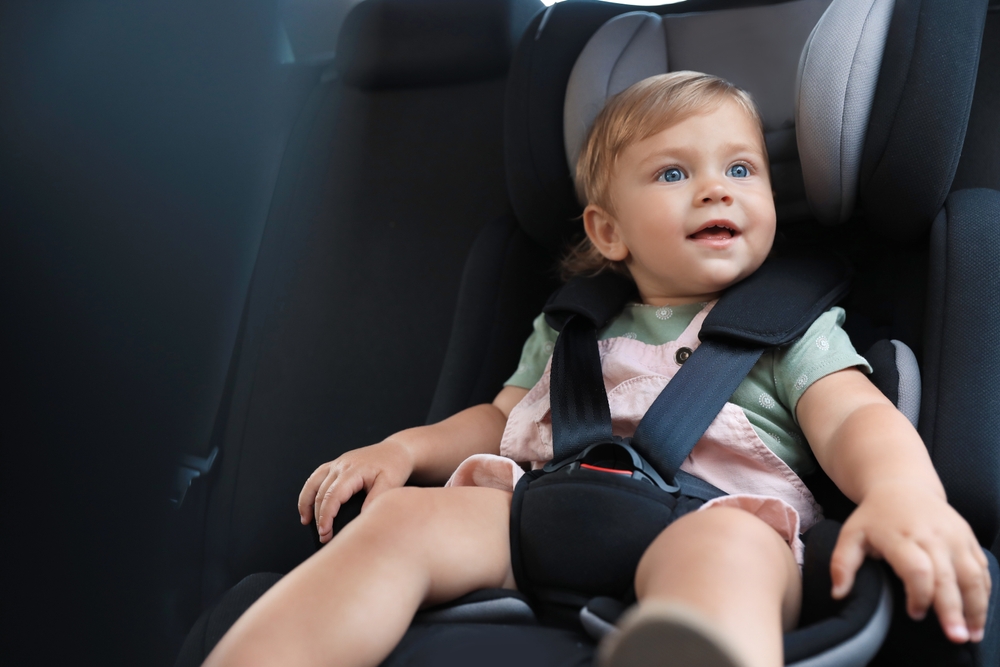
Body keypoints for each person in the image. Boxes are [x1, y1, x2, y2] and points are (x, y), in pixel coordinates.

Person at [203, 72, 990, 667]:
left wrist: (902, 494)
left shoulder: (792, 329)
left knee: (731, 559)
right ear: (607, 230)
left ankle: (692, 646)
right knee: (404, 520)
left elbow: (855, 418)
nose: (717, 185)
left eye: (742, 170)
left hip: (709, 515)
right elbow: (500, 419)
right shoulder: (571, 324)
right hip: (542, 507)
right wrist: (404, 451)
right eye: (673, 173)